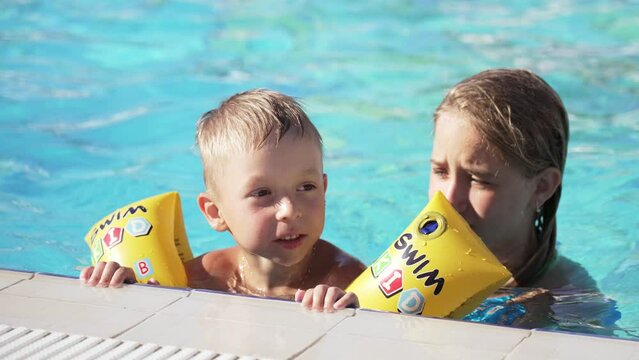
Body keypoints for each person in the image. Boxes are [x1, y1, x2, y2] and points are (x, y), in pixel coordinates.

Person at [80, 89, 366, 312]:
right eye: (263, 193)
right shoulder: (203, 278)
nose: (289, 210)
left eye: (306, 186)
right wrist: (124, 284)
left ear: (324, 188)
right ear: (215, 213)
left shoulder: (344, 278)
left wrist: (353, 310)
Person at [428, 68, 596, 290]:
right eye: (441, 171)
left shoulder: (570, 304)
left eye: (479, 180)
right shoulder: (412, 261)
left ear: (541, 187)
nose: (449, 200)